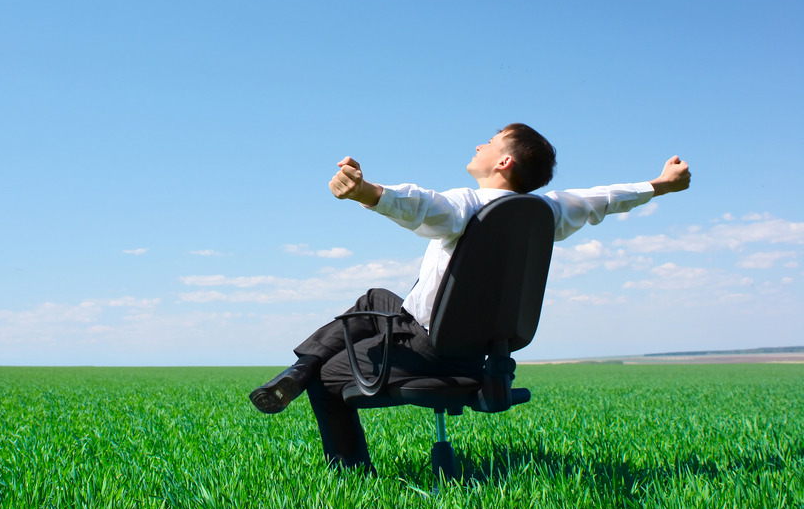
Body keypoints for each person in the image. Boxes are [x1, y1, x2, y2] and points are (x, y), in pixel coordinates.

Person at [250, 123, 691, 471]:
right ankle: (297, 367)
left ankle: (350, 471)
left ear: (503, 161)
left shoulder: (468, 204)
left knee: (325, 378)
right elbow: (603, 199)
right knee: (375, 297)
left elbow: (423, 205)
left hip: (425, 347)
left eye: (491, 141)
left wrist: (367, 193)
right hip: (478, 353)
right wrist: (661, 184)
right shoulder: (548, 211)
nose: (480, 144)